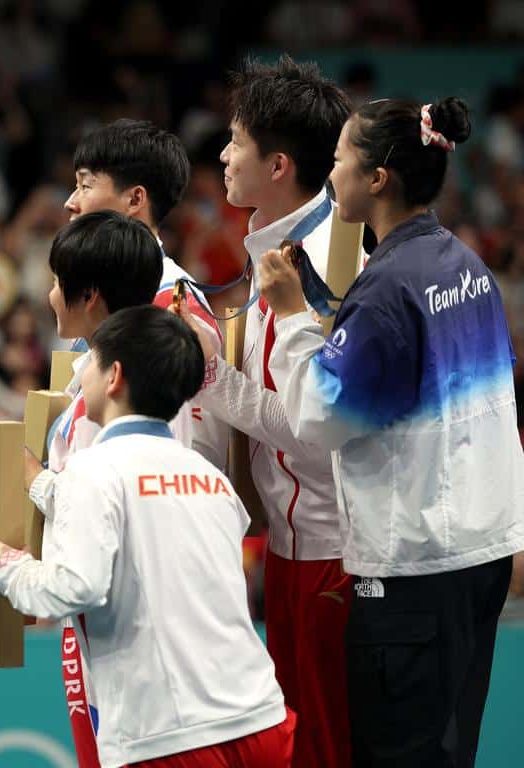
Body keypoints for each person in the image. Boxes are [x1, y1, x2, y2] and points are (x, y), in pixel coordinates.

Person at [259, 97, 524, 767]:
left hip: (411, 576)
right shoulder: (466, 267)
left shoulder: (387, 291)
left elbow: (322, 417)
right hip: (479, 560)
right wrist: (325, 300)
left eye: (342, 162)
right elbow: (408, 359)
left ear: (377, 178)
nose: (331, 178)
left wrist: (291, 318)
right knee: (448, 749)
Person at [0, 305, 295, 768]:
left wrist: (10, 569)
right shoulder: (211, 479)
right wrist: (42, 484)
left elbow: (77, 586)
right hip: (262, 722)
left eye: (89, 358)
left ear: (114, 377)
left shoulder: (90, 469)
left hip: (171, 737)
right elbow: (143, 516)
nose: (79, 370)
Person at [179, 55, 354, 768]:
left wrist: (213, 375)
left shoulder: (325, 266)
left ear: (278, 165)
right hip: (292, 549)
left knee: (326, 750)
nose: (222, 155)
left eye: (235, 142)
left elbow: (319, 432)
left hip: (331, 552)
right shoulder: (278, 250)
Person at [26, 209, 171, 767]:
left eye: (58, 284)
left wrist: (33, 481)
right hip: (88, 620)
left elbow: (128, 501)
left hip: (121, 619)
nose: (49, 296)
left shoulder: (131, 385)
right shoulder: (88, 369)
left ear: (89, 296)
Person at [64, 118, 228, 471]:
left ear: (135, 198)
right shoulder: (106, 289)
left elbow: (191, 447)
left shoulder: (173, 305)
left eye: (85, 185)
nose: (70, 203)